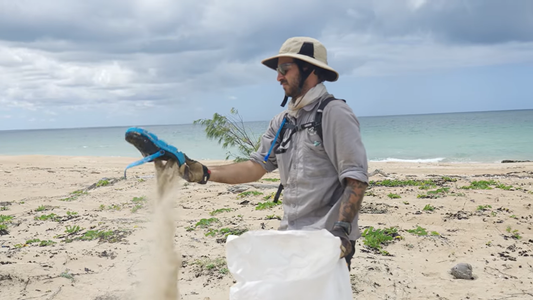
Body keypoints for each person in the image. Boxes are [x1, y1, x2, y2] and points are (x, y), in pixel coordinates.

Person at [159, 37, 368, 270]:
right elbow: (254, 168)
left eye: (284, 69)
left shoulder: (334, 113)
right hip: (290, 237)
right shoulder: (282, 122)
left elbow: (355, 178)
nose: (278, 77)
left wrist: (342, 231)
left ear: (310, 69)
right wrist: (204, 173)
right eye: (278, 70)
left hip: (327, 243)